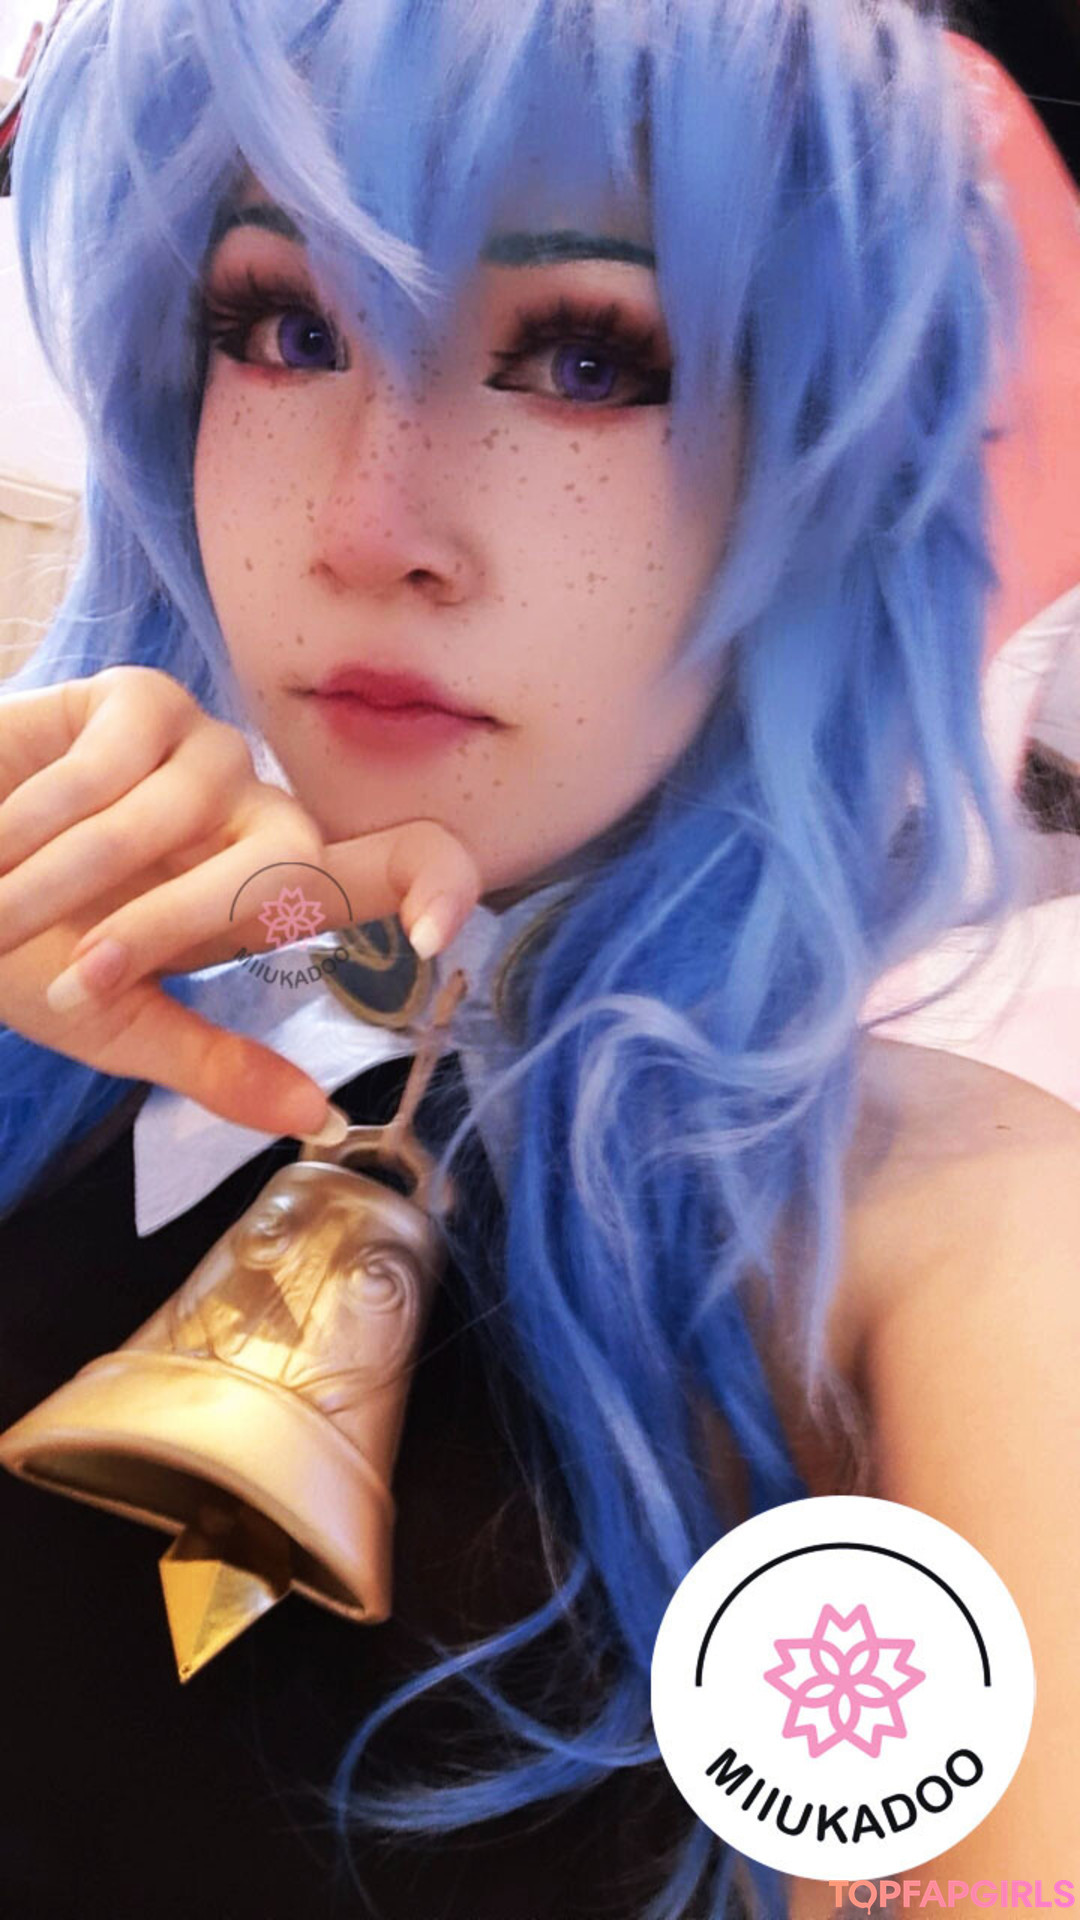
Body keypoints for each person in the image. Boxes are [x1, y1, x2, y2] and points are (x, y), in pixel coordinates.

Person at [0, 2, 1078, 1915]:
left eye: (589, 358)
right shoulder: (81, 964)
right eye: (286, 328)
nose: (372, 525)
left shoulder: (946, 1250)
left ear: (824, 469)